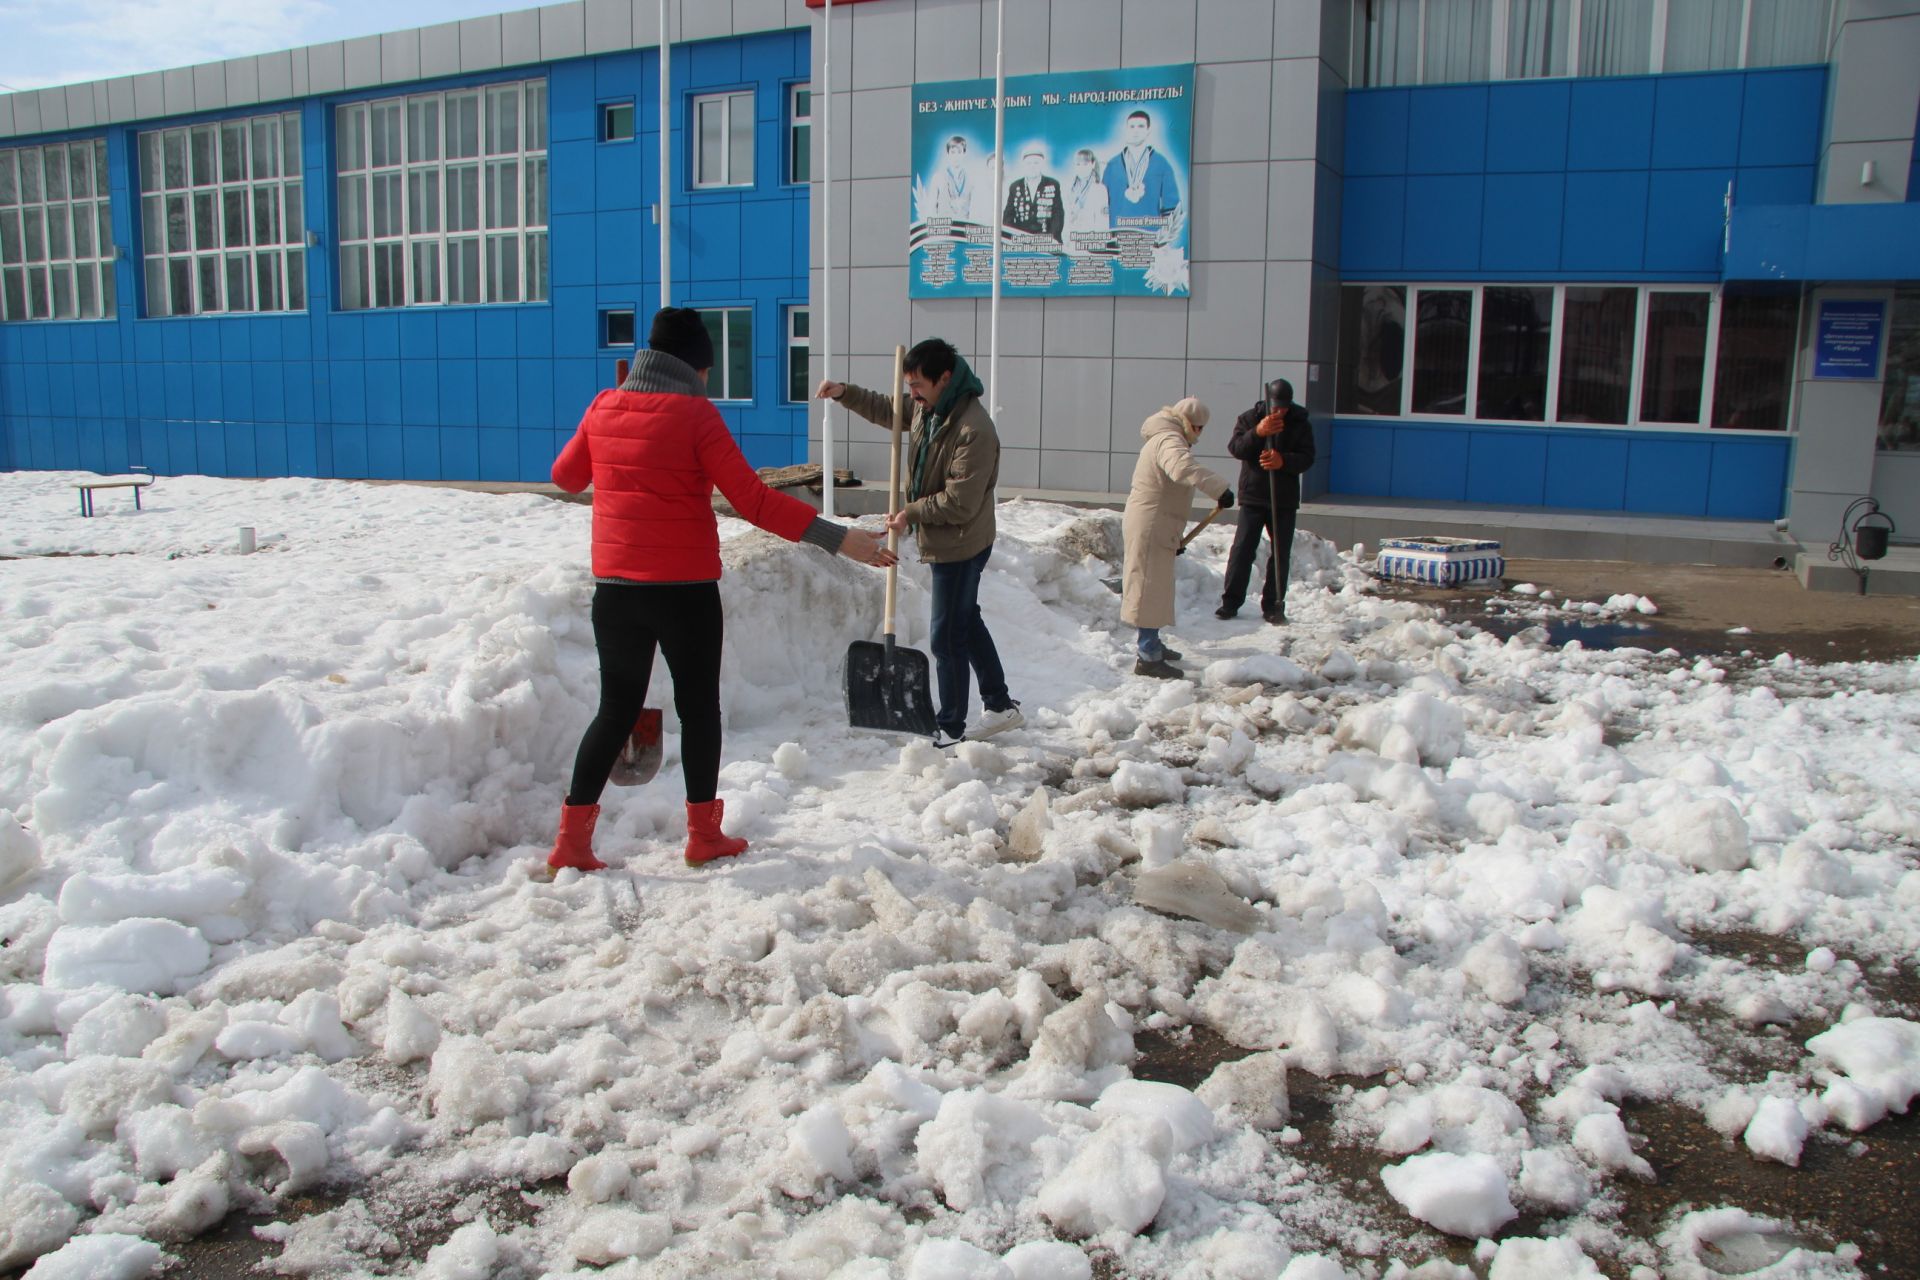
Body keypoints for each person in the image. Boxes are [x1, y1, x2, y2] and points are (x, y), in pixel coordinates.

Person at [545, 307, 896, 873]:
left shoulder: (604, 406)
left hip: (616, 591)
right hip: (684, 592)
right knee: (699, 710)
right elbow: (753, 501)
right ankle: (703, 836)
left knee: (615, 709)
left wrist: (608, 431)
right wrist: (840, 539)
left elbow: (565, 477)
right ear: (693, 367)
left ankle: (571, 842)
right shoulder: (696, 416)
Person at [816, 338, 1022, 748]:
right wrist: (845, 393)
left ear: (945, 379)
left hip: (962, 542)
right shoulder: (931, 409)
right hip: (948, 535)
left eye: (918, 385)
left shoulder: (973, 429)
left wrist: (911, 512)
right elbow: (888, 409)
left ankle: (951, 725)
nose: (911, 394)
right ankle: (999, 705)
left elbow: (960, 502)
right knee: (966, 620)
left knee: (946, 636)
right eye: (908, 385)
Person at [1122, 397, 1232, 679]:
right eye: (1198, 428)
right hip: (1151, 524)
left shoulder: (1164, 436)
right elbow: (1181, 469)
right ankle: (1147, 656)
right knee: (1148, 589)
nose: (1199, 435)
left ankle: (1152, 644)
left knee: (1155, 587)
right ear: (1188, 424)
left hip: (1156, 524)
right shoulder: (1169, 440)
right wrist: (1219, 488)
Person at [1217, 378, 1315, 625]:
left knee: (1280, 552)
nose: (1279, 412)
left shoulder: (1300, 423)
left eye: (1283, 408)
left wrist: (1283, 461)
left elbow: (1307, 457)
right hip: (1253, 495)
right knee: (1242, 549)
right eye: (1275, 407)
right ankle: (1230, 601)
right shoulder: (1249, 418)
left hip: (1284, 499)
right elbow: (1237, 448)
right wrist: (1258, 433)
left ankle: (1274, 604)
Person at [1102, 109, 1181, 228]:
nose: (1136, 131)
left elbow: (1172, 206)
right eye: (1132, 126)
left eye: (1140, 126)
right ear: (1126, 130)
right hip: (1116, 237)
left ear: (1148, 130)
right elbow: (1101, 204)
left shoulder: (1161, 163)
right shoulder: (1112, 165)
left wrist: (1163, 239)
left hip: (1149, 237)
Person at [1003, 145, 1064, 241]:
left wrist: (1050, 239)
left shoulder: (1053, 184)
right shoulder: (1015, 186)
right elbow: (1008, 216)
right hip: (1021, 239)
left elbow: (1058, 216)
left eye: (1036, 163)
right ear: (1023, 165)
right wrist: (1013, 238)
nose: (1032, 166)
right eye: (1029, 163)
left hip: (1046, 239)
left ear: (1042, 164)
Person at [1062, 147, 1110, 249]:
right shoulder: (1070, 188)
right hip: (1070, 242)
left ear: (1092, 164)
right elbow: (1065, 217)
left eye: (1085, 164)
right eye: (1078, 164)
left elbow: (1103, 221)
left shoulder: (1100, 189)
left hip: (1091, 243)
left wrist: (1098, 245)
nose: (1081, 168)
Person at [930, 135, 976, 220]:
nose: (956, 156)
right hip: (944, 228)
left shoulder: (971, 179)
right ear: (948, 154)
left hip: (964, 228)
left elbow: (975, 209)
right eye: (953, 152)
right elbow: (931, 208)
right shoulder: (938, 177)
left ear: (964, 154)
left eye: (959, 152)